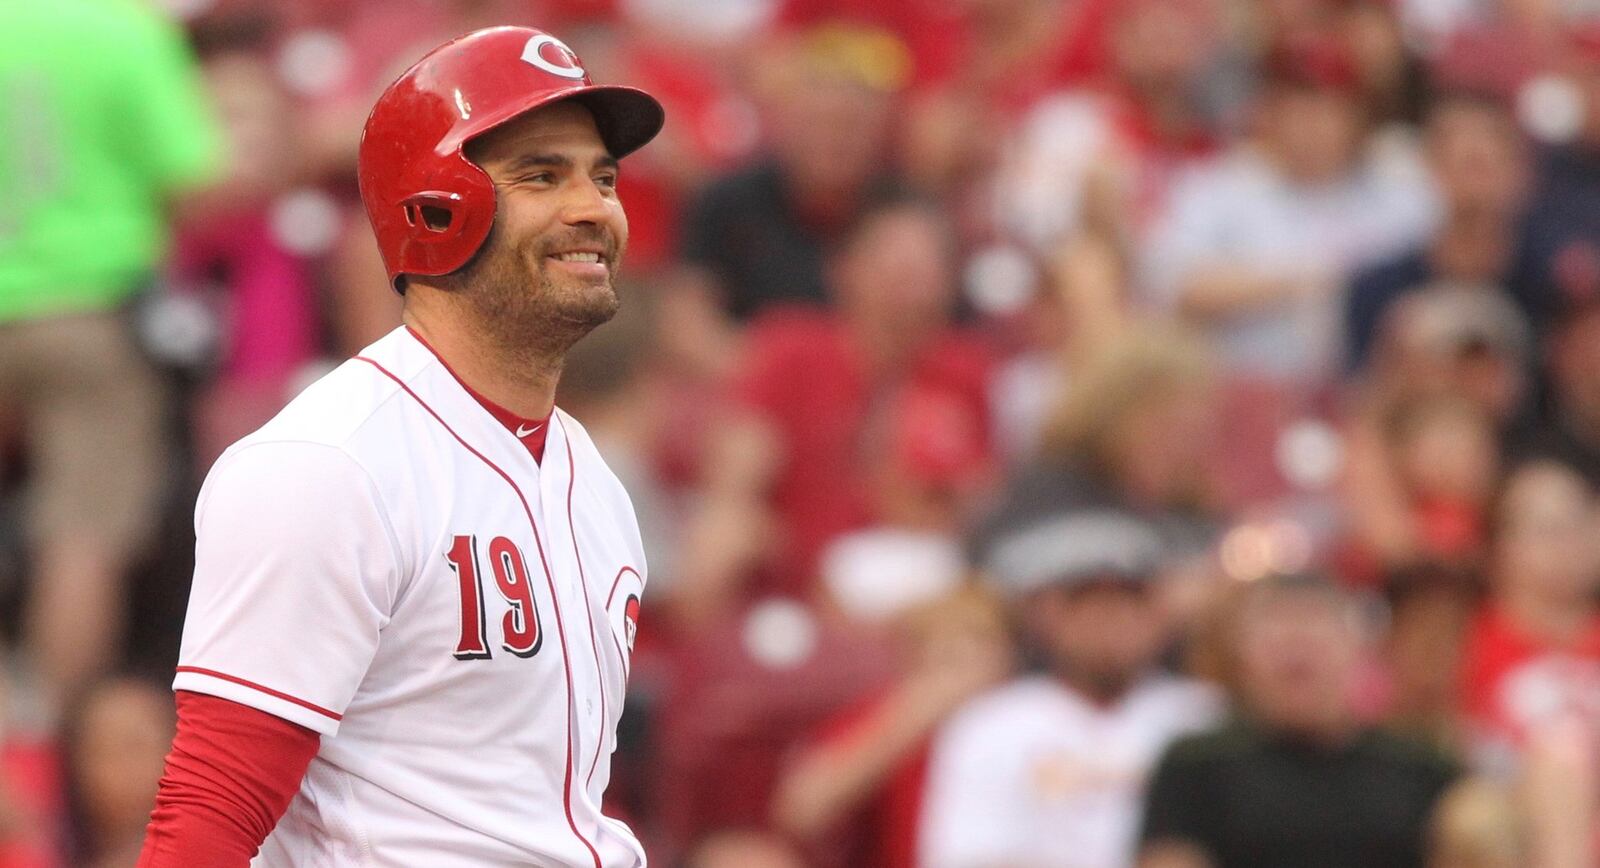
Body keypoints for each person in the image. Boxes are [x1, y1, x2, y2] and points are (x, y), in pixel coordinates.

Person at [137, 26, 665, 867]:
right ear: (435, 207)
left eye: (603, 177)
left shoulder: (591, 478)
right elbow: (209, 812)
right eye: (542, 175)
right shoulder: (329, 465)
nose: (593, 206)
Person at [0, 0, 221, 718]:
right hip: (88, 310)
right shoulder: (123, 30)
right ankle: (48, 753)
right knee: (83, 535)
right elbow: (194, 175)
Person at [917, 512, 1222, 868]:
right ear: (1045, 613)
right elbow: (967, 857)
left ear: (1160, 611)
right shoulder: (991, 723)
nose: (1110, 615)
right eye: (1084, 598)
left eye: (1131, 596)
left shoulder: (1206, 716)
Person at [1138, 574, 1460, 868]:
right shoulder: (1197, 765)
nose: (1297, 644)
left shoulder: (1420, 767)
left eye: (1315, 630)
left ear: (1358, 649)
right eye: (1278, 633)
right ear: (1242, 655)